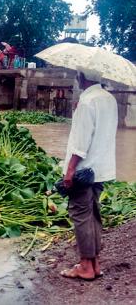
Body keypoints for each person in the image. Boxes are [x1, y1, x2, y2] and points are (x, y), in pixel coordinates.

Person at [60, 67, 118, 280]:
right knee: (93, 214)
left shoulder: (87, 102)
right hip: (101, 169)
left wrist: (70, 171)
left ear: (81, 77)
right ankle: (94, 263)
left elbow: (81, 144)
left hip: (84, 171)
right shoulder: (108, 99)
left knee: (81, 215)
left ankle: (85, 266)